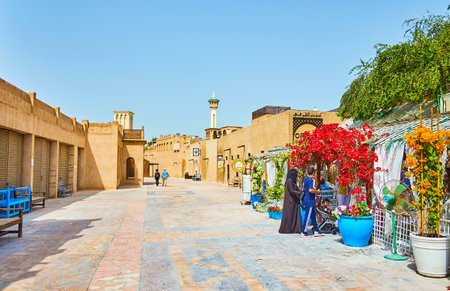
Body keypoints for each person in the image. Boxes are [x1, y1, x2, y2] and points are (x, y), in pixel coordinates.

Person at [279, 168, 303, 234]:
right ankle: (288, 229)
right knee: (290, 216)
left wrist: (301, 191)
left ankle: (295, 228)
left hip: (293, 201)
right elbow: (292, 191)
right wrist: (299, 193)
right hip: (290, 202)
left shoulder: (292, 181)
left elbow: (296, 189)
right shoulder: (289, 181)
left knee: (293, 215)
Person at [301, 166, 323, 237]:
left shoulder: (306, 179)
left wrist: (315, 180)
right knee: (307, 216)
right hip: (310, 200)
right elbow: (311, 190)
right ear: (313, 172)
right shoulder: (311, 180)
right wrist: (317, 191)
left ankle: (316, 230)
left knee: (313, 216)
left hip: (306, 199)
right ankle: (303, 231)